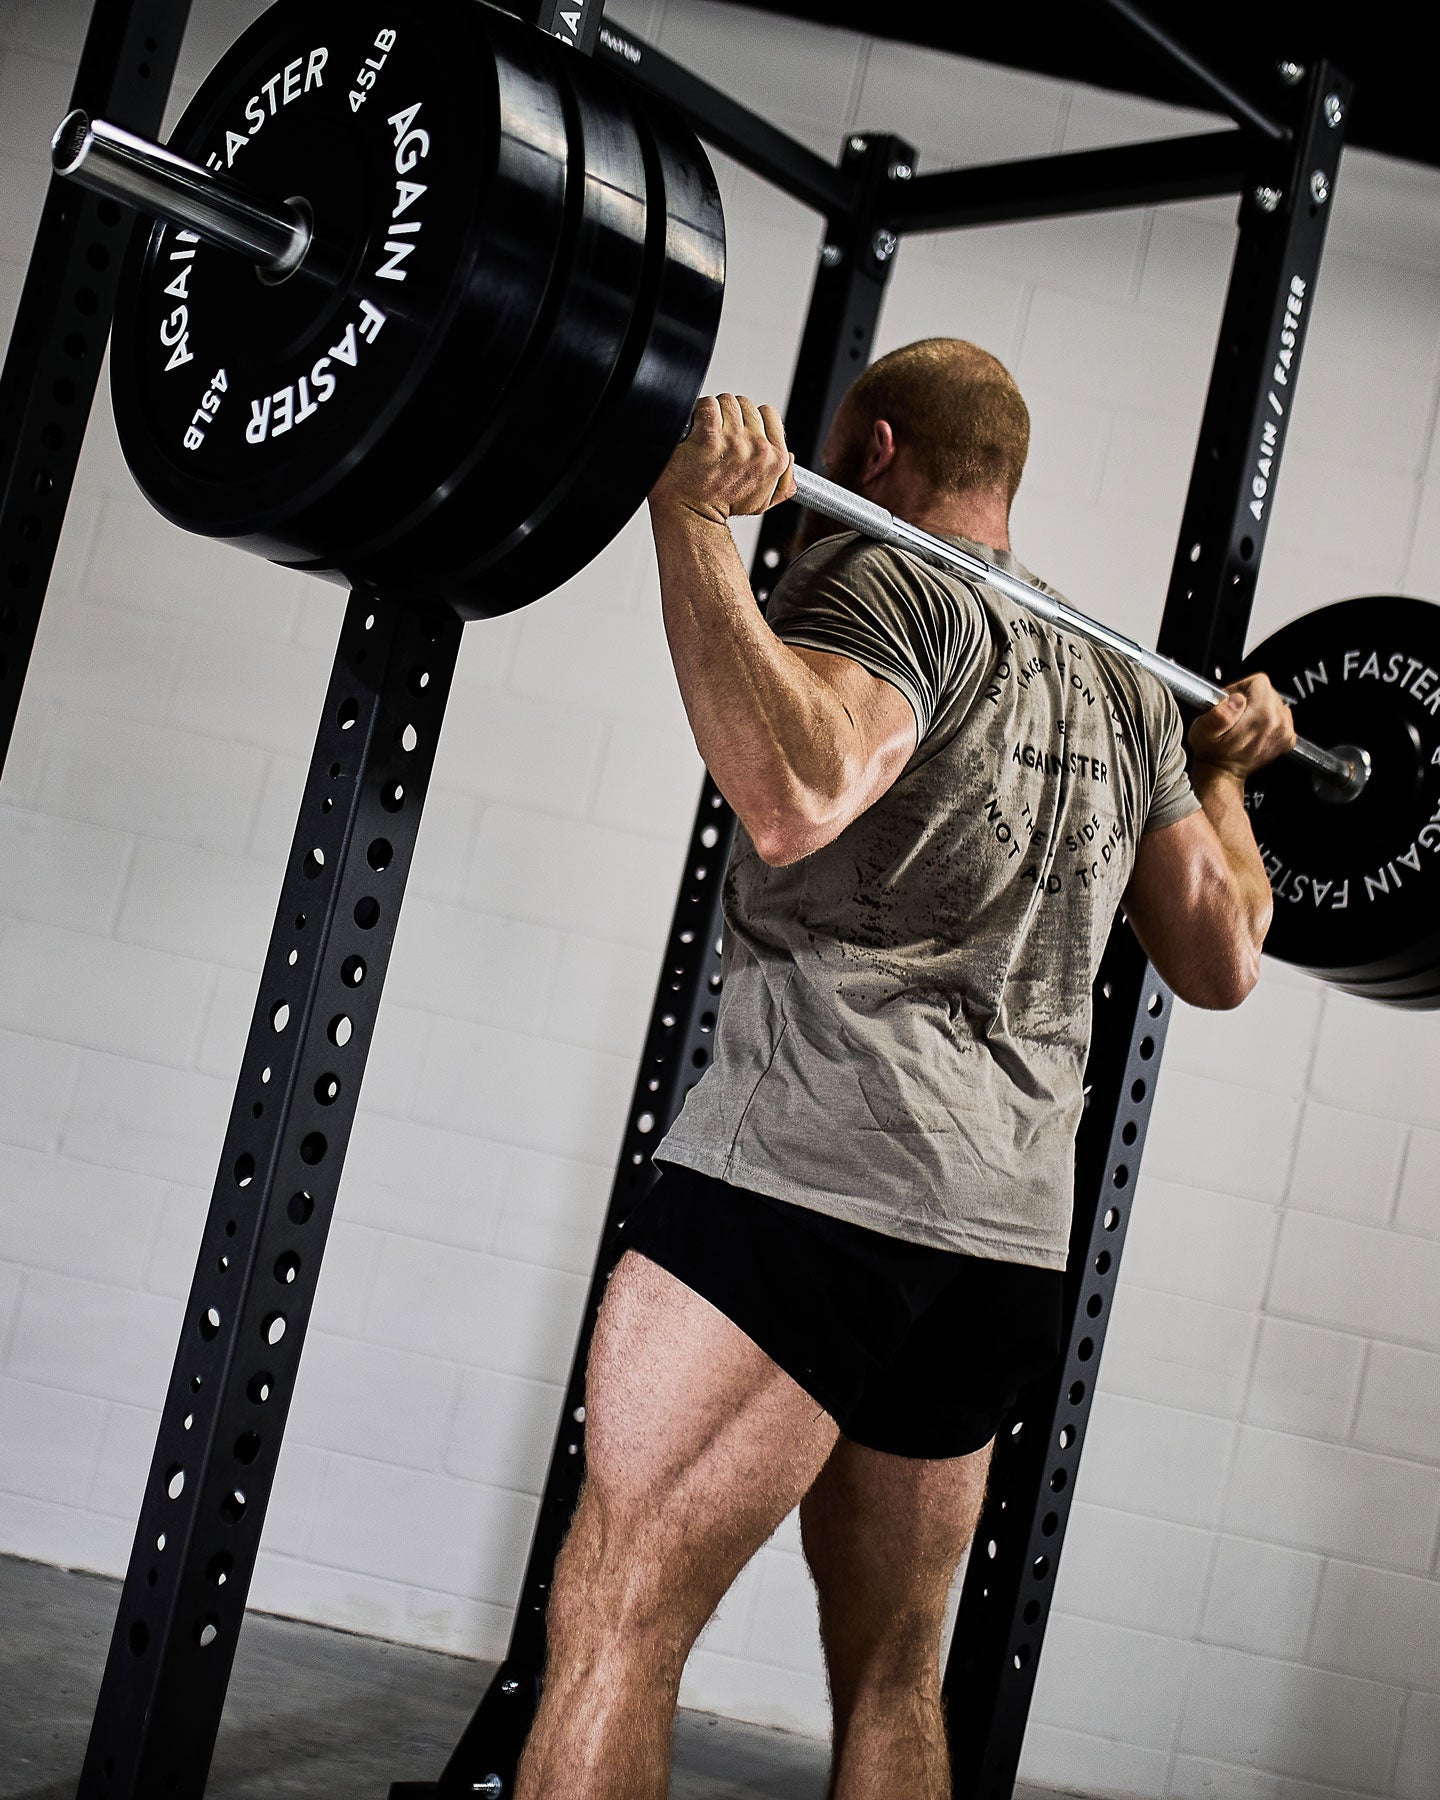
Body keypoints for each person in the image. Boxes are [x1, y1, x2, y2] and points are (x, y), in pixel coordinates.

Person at [513, 339, 1296, 1800]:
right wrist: (1226, 775)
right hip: (996, 1244)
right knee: (893, 1671)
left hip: (811, 1184)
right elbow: (1223, 957)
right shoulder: (1122, 682)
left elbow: (798, 790)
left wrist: (690, 522)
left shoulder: (886, 582)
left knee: (622, 1613)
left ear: (869, 451)